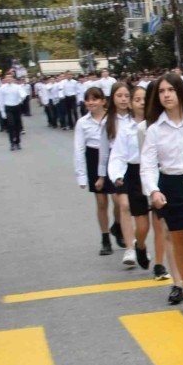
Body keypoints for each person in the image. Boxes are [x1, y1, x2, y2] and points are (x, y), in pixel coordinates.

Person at [141, 71, 183, 312]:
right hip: (170, 186)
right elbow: (147, 165)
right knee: (179, 243)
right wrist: (153, 191)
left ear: (181, 93)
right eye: (162, 92)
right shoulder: (155, 130)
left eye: (171, 90)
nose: (167, 95)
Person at [103, 81, 156, 275]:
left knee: (163, 225)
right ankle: (138, 245)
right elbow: (117, 155)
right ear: (132, 104)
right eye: (137, 99)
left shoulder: (157, 125)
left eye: (145, 99)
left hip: (156, 174)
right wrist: (117, 175)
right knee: (142, 225)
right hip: (134, 174)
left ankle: (161, 263)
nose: (142, 103)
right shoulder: (126, 129)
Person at [73, 85, 115, 256]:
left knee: (120, 201)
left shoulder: (112, 118)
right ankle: (105, 237)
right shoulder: (82, 123)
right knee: (101, 202)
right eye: (88, 99)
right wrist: (81, 176)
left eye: (95, 99)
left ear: (103, 101)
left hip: (113, 157)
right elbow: (78, 149)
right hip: (93, 158)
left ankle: (119, 225)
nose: (91, 102)